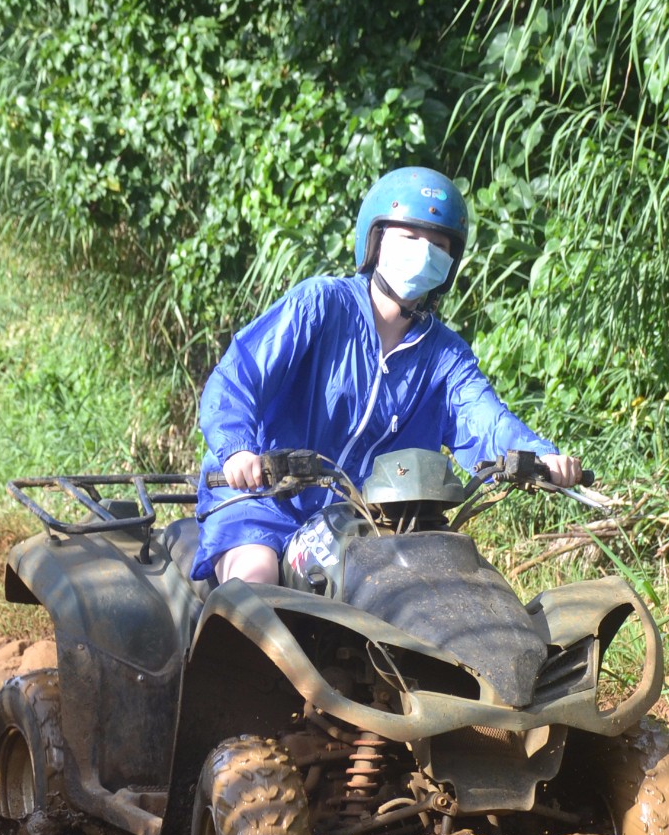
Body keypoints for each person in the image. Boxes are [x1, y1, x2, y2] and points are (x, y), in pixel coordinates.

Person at [192, 167, 585, 584]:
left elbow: (484, 418)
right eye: (410, 238)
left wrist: (537, 455)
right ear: (376, 241)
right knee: (258, 585)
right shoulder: (321, 305)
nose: (423, 251)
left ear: (449, 262)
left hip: (366, 523)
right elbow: (239, 376)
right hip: (264, 499)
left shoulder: (445, 355)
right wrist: (237, 451)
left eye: (437, 244)